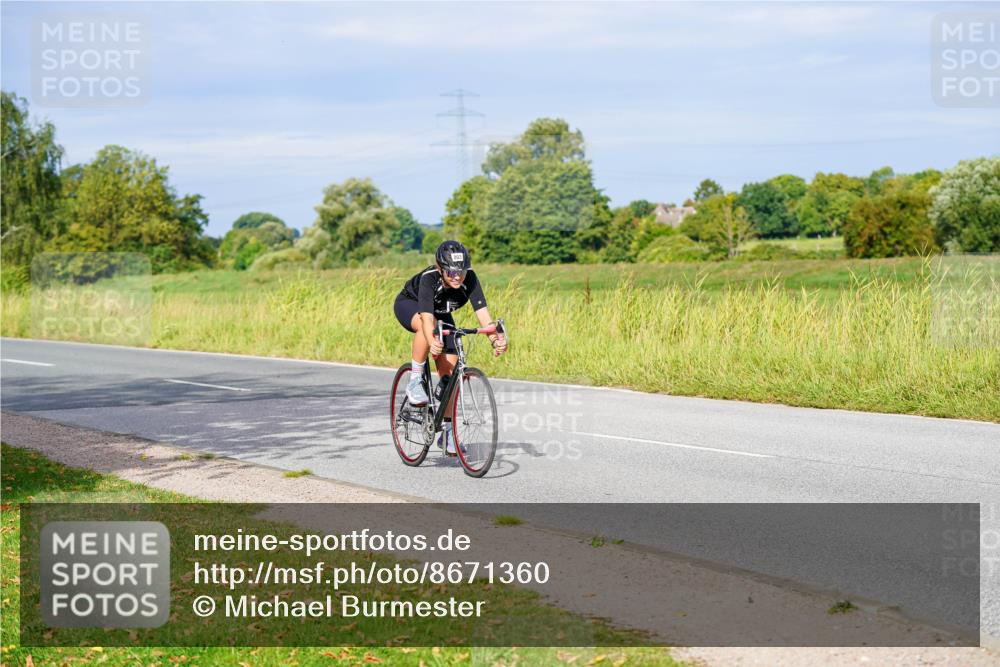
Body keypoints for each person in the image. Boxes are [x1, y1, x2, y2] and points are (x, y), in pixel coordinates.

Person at [394, 240, 507, 455]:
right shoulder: (430, 279)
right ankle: (416, 379)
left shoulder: (470, 279)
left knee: (449, 377)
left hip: (440, 312)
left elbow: (484, 317)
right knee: (426, 330)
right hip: (412, 304)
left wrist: (495, 339)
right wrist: (432, 341)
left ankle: (448, 433)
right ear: (440, 268)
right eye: (450, 272)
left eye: (461, 271)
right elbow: (427, 319)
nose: (457, 276)